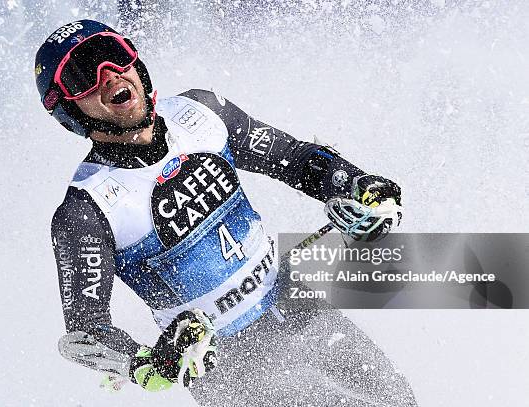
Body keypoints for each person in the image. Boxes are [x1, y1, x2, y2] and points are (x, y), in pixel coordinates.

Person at [35, 19, 414, 406]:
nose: (109, 75)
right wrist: (151, 364)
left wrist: (355, 186)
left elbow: (295, 159)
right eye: (83, 75)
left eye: (113, 56)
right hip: (231, 369)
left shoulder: (200, 112)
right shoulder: (84, 211)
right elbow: (86, 332)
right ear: (68, 110)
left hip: (299, 308)